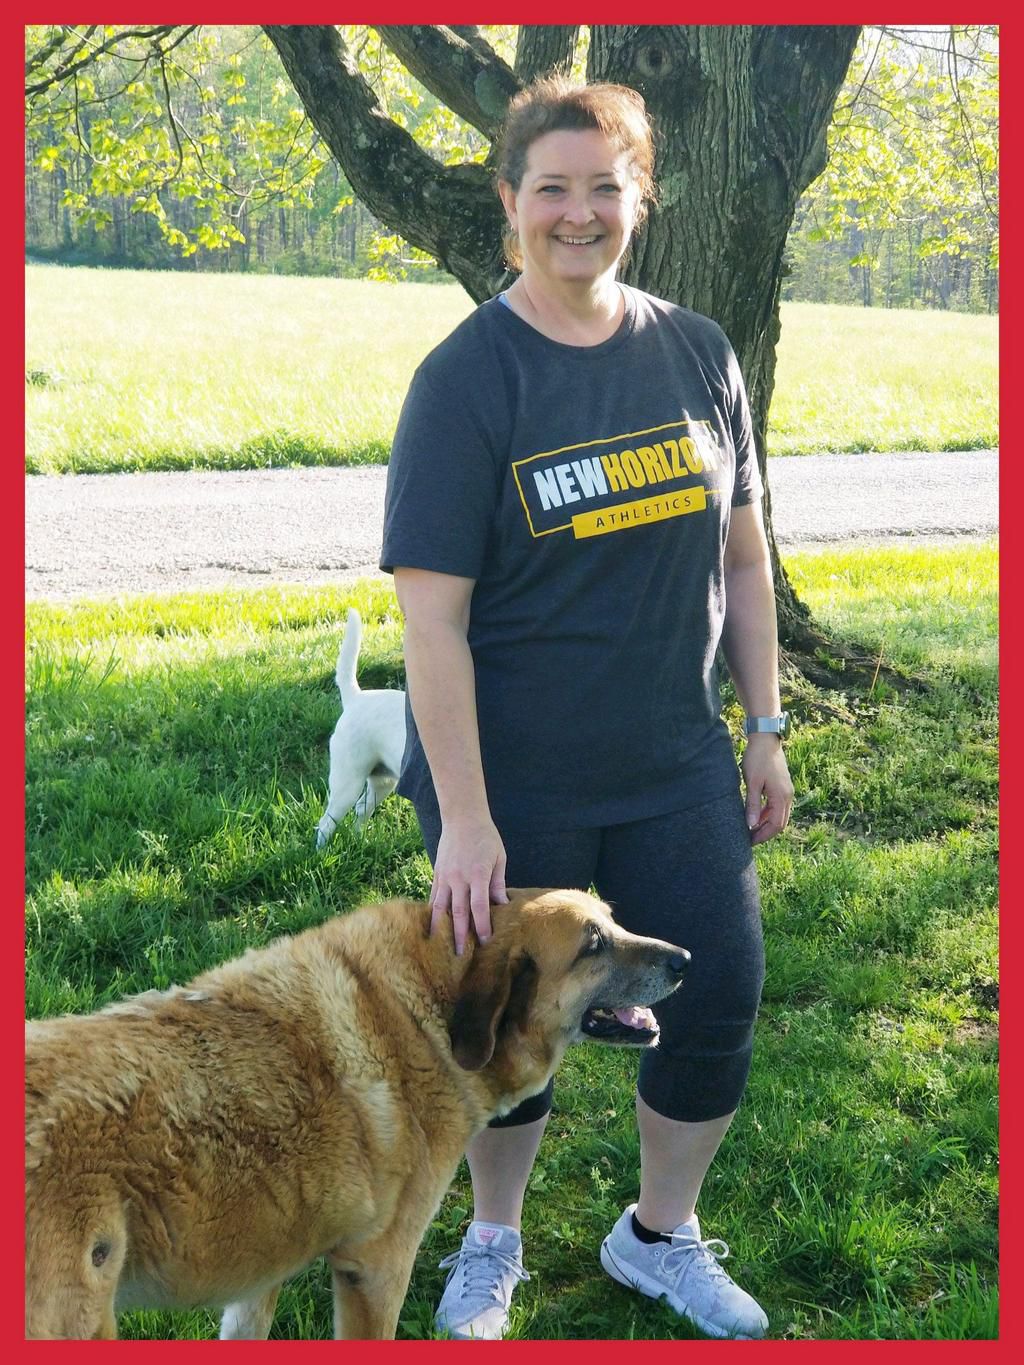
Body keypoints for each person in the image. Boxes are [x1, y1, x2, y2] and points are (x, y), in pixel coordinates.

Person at [379, 76, 794, 1342]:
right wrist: (465, 818)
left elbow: (742, 555)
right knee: (505, 1016)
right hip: (515, 781)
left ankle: (657, 1237)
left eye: (602, 188)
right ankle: (490, 1244)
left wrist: (765, 726)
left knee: (715, 994)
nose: (577, 213)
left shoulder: (698, 352)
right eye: (550, 189)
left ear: (640, 200)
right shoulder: (467, 380)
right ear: (509, 205)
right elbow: (431, 621)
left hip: (674, 760)